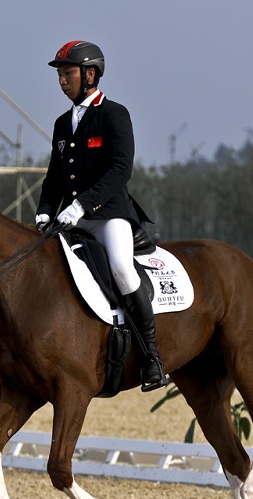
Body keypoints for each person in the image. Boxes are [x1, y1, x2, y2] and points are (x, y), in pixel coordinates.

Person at [35, 40, 166, 391]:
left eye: (68, 73)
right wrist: (44, 213)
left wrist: (82, 206)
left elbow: (121, 169)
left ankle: (151, 358)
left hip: (108, 215)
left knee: (122, 269)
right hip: (70, 218)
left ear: (90, 74)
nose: (62, 80)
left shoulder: (114, 114)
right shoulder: (63, 123)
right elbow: (53, 177)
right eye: (60, 75)